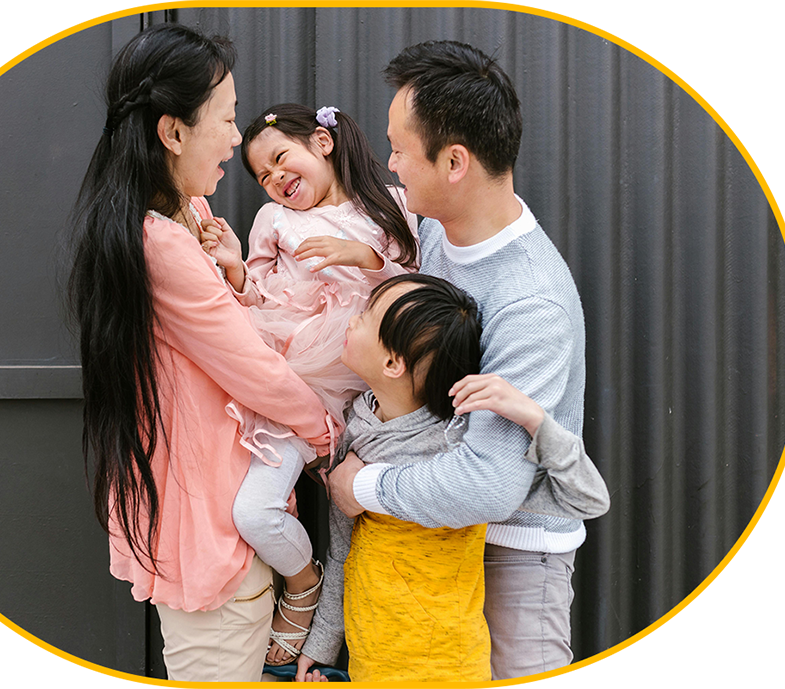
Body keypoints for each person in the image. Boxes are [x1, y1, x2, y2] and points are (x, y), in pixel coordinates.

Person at [65, 25, 333, 682]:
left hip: (212, 520)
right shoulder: (159, 242)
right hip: (215, 538)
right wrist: (331, 435)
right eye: (227, 117)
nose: (236, 139)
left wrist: (235, 272)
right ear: (172, 132)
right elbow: (254, 367)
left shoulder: (180, 212)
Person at [327, 40, 601, 679]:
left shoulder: (531, 303)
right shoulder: (436, 232)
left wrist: (358, 486)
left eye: (399, 149)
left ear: (455, 161)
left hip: (511, 551)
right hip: (433, 544)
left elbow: (489, 483)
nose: (389, 165)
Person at [294, 274, 609, 682]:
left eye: (367, 316)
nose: (352, 319)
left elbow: (587, 499)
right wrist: (322, 645)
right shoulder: (358, 425)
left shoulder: (460, 448)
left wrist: (533, 417)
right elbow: (343, 549)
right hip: (370, 659)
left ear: (393, 363)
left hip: (446, 666)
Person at [197, 102, 418, 666]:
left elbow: (417, 293)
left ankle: (329, 648)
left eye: (280, 159)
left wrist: (360, 253)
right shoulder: (274, 222)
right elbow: (259, 300)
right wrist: (236, 269)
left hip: (365, 409)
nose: (275, 179)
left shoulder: (390, 206)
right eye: (263, 177)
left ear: (322, 142)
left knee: (358, 531)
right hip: (287, 394)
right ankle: (301, 580)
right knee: (252, 513)